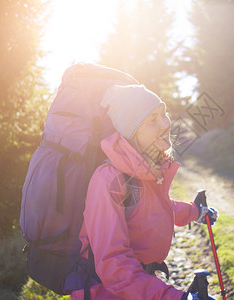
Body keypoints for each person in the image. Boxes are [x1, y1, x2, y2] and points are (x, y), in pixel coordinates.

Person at [70, 85, 218, 300]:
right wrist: (179, 298)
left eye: (164, 115)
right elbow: (115, 266)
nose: (166, 124)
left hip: (138, 288)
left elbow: (157, 208)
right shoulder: (109, 180)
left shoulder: (144, 171)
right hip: (107, 293)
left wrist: (197, 212)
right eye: (152, 120)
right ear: (131, 132)